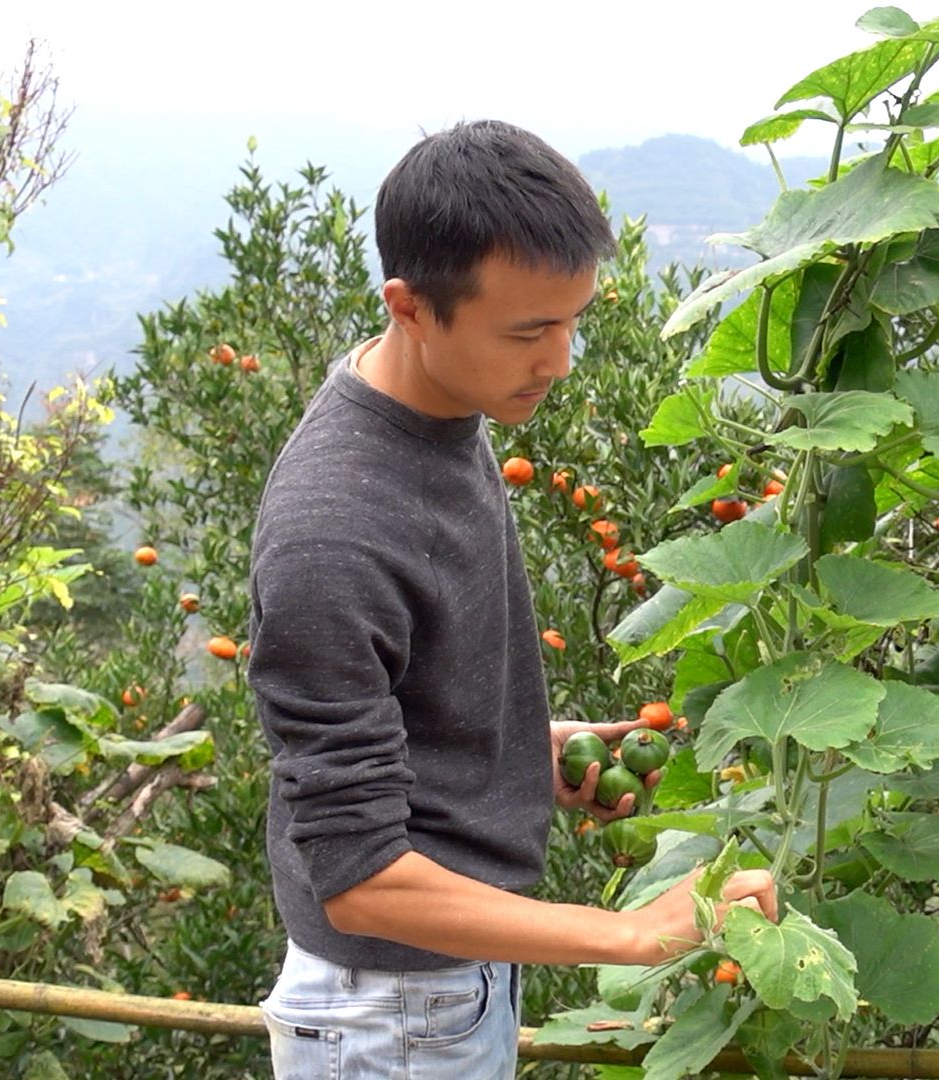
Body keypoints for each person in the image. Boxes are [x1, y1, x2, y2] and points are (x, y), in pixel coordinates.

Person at [246, 119, 777, 1079]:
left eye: (574, 321)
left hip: (441, 993)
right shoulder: (332, 532)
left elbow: (396, 712)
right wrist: (633, 934)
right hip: (388, 1022)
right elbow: (357, 882)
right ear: (409, 307)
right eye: (530, 331)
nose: (561, 360)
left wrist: (522, 754)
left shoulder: (446, 409)